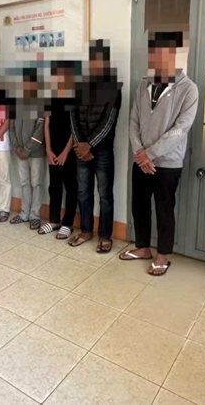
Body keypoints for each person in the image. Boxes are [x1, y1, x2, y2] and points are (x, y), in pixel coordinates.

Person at [120, 31, 199, 276]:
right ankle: (143, 247)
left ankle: (163, 254)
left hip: (167, 163)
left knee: (164, 209)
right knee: (139, 205)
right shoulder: (144, 84)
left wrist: (150, 154)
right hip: (141, 159)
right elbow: (133, 120)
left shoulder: (188, 89)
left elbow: (181, 128)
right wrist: (139, 152)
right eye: (153, 53)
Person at [69, 39, 122, 253]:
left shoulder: (114, 88)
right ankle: (86, 231)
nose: (94, 64)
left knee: (105, 194)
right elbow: (73, 115)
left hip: (102, 150)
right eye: (92, 60)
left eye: (99, 61)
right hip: (80, 148)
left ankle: (105, 236)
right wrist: (80, 144)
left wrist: (89, 144)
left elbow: (108, 122)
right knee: (83, 191)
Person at [39, 60, 78, 239]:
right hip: (53, 150)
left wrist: (65, 153)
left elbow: (75, 128)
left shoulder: (74, 97)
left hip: (68, 150)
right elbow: (46, 123)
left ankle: (68, 223)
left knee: (71, 187)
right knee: (54, 186)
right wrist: (48, 149)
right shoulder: (50, 96)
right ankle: (54, 221)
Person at [9, 69, 46, 229]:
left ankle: (35, 215)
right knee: (24, 183)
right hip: (19, 152)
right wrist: (17, 147)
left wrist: (27, 149)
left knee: (36, 183)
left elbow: (40, 129)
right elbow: (11, 127)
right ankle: (24, 214)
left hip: (35, 152)